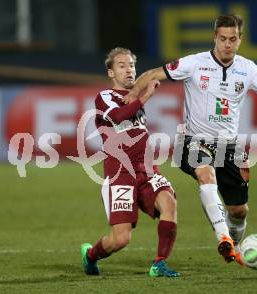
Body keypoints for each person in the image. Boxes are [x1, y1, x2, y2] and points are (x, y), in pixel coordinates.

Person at [124, 14, 257, 265]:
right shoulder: (195, 63)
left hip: (229, 147)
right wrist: (134, 93)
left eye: (232, 39)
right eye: (222, 39)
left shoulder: (248, 69)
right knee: (205, 173)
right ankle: (224, 238)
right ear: (215, 38)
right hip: (194, 141)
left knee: (239, 211)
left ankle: (233, 242)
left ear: (240, 40)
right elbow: (152, 73)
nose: (227, 44)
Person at [80, 47, 180, 277]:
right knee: (121, 239)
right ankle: (91, 255)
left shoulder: (133, 99)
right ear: (111, 73)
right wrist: (144, 95)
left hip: (147, 170)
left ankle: (160, 263)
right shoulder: (105, 97)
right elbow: (117, 117)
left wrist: (139, 96)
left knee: (169, 203)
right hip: (120, 175)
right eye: (122, 65)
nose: (129, 70)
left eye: (132, 65)